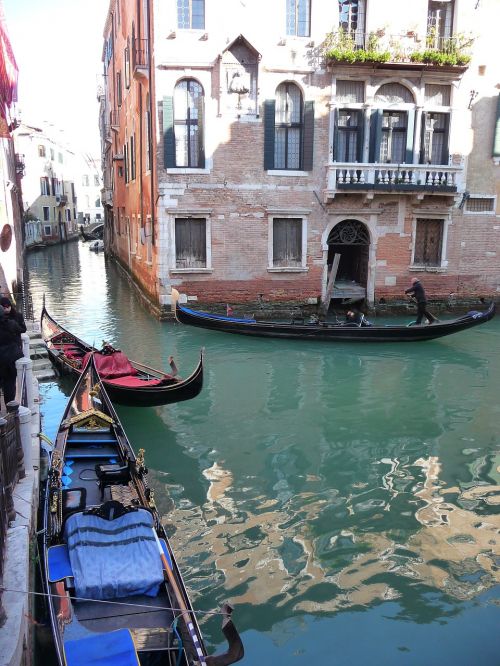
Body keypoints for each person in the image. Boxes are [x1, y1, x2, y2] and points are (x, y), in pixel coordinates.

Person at [0, 305, 24, 405]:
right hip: (10, 358)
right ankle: (10, 408)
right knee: (9, 384)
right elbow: (21, 330)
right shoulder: (11, 324)